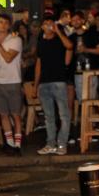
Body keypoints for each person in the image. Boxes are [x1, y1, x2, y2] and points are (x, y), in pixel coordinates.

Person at [33, 15, 73, 155]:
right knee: (48, 116)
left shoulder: (59, 40)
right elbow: (38, 64)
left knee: (64, 114)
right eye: (46, 23)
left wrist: (58, 32)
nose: (48, 25)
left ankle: (62, 144)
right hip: (44, 83)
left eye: (51, 23)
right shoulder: (41, 42)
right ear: (42, 27)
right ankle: (50, 143)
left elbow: (69, 46)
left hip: (58, 82)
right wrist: (35, 85)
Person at [0, 14, 24, 153]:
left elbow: (8, 58)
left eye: (5, 23)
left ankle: (18, 145)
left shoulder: (15, 40)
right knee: (3, 114)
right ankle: (10, 143)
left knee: (15, 114)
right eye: (0, 22)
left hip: (13, 80)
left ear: (9, 25)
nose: (2, 25)